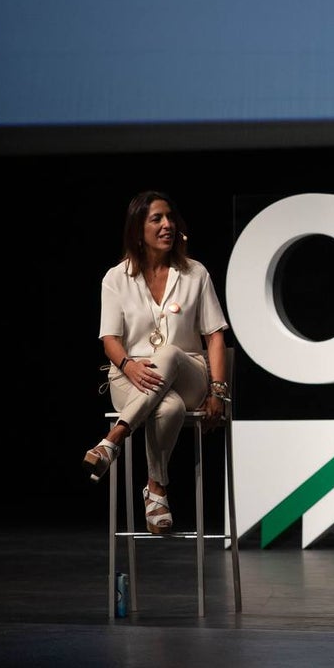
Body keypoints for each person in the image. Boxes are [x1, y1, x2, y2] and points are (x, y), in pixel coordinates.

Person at [85, 190, 231, 534]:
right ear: (138, 230)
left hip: (188, 372)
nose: (168, 225)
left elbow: (215, 336)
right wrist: (129, 366)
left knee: (168, 353)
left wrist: (218, 391)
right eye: (157, 219)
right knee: (169, 407)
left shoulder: (195, 273)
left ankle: (113, 439)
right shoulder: (116, 278)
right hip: (130, 375)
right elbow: (110, 340)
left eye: (170, 218)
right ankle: (156, 490)